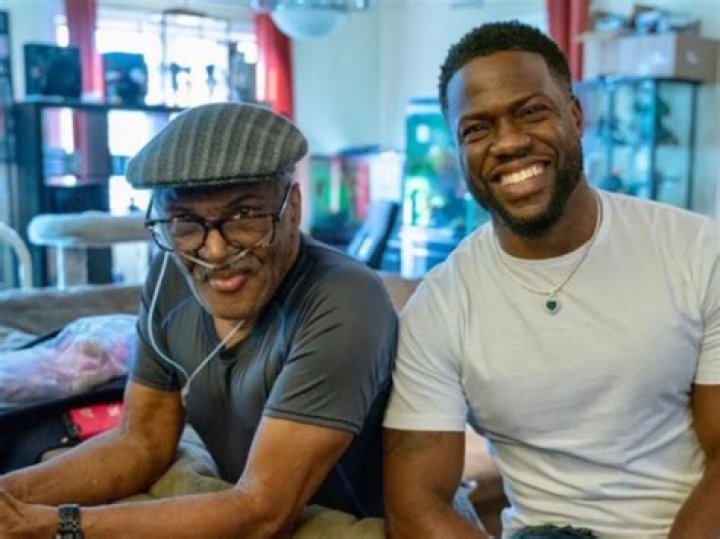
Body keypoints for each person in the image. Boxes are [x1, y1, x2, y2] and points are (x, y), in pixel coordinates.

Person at [383, 20, 719, 539]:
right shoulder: (440, 305)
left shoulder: (697, 251)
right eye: (477, 129)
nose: (509, 143)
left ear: (576, 116)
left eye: (531, 112)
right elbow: (415, 504)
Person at [0, 103, 397, 537]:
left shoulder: (346, 299)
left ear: (294, 207)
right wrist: (9, 498)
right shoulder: (170, 275)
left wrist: (60, 527)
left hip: (338, 524)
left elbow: (264, 509)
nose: (214, 252)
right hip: (235, 506)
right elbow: (140, 442)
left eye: (245, 215)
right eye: (185, 222)